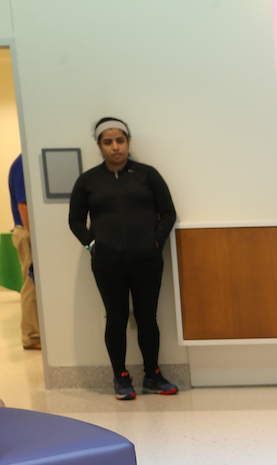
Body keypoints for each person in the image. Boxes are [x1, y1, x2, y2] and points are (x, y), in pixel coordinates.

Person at [68, 117, 178, 400]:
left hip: (147, 261)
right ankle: (121, 377)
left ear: (128, 142)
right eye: (108, 142)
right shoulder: (88, 181)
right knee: (115, 319)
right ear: (100, 146)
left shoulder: (147, 175)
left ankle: (152, 375)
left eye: (120, 141)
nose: (115, 147)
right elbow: (76, 221)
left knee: (147, 318)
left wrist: (157, 241)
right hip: (107, 264)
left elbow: (168, 213)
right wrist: (93, 245)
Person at [9, 154, 40, 350]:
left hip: (29, 231)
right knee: (31, 283)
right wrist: (33, 236)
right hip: (27, 231)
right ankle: (32, 336)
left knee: (35, 284)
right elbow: (23, 204)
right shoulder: (22, 163)